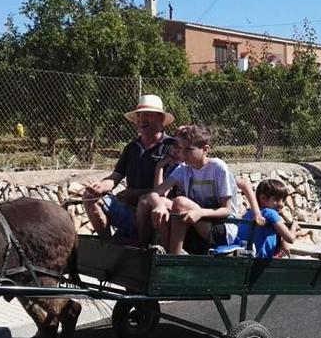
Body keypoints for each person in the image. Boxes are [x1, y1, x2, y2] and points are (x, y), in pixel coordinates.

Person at [83, 94, 176, 242]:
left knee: (144, 202)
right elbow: (115, 177)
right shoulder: (131, 148)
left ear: (160, 118)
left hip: (158, 214)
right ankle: (109, 246)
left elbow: (165, 192)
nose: (141, 120)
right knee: (90, 198)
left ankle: (143, 249)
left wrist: (133, 194)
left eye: (147, 115)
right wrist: (100, 186)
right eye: (139, 116)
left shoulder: (173, 148)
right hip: (129, 211)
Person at [148, 125, 240, 254]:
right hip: (197, 220)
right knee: (163, 201)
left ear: (205, 149)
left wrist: (200, 213)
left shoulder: (218, 167)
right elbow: (154, 193)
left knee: (180, 202)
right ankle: (164, 249)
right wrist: (158, 205)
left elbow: (226, 210)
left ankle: (173, 257)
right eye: (181, 149)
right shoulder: (184, 168)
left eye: (188, 150)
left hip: (222, 226)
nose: (183, 154)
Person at [236, 179, 299, 259]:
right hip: (260, 260)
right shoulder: (270, 212)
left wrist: (283, 240)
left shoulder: (248, 213)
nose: (281, 204)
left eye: (283, 200)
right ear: (262, 198)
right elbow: (291, 238)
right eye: (276, 199)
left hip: (243, 255)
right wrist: (294, 226)